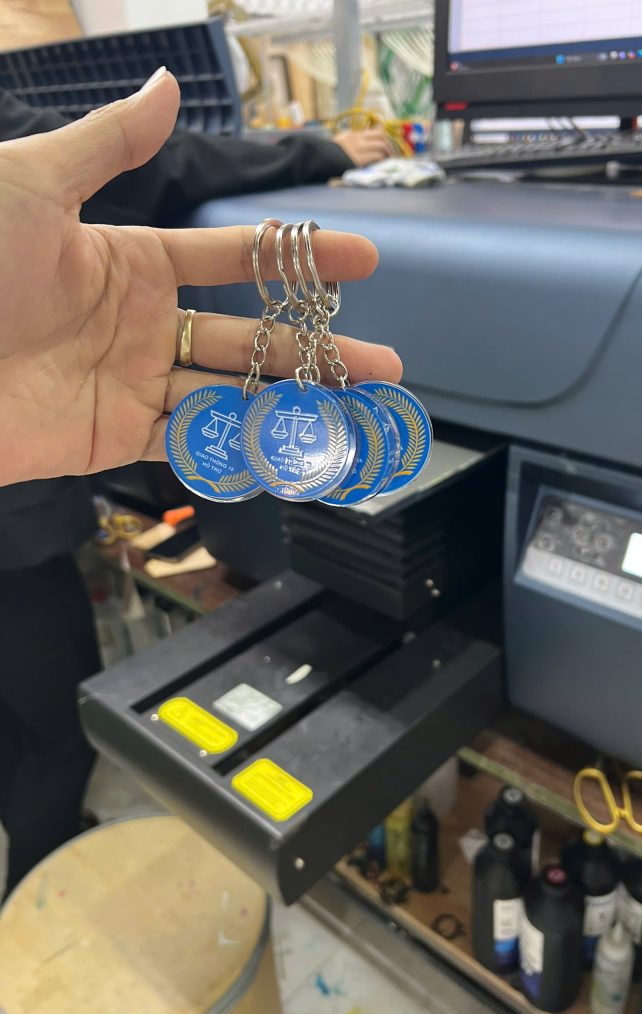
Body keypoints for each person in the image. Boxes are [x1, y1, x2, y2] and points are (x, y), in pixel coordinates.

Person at [0, 67, 402, 892]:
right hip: (17, 542)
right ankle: (40, 897)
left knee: (23, 722)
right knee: (58, 732)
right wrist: (316, 149)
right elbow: (163, 163)